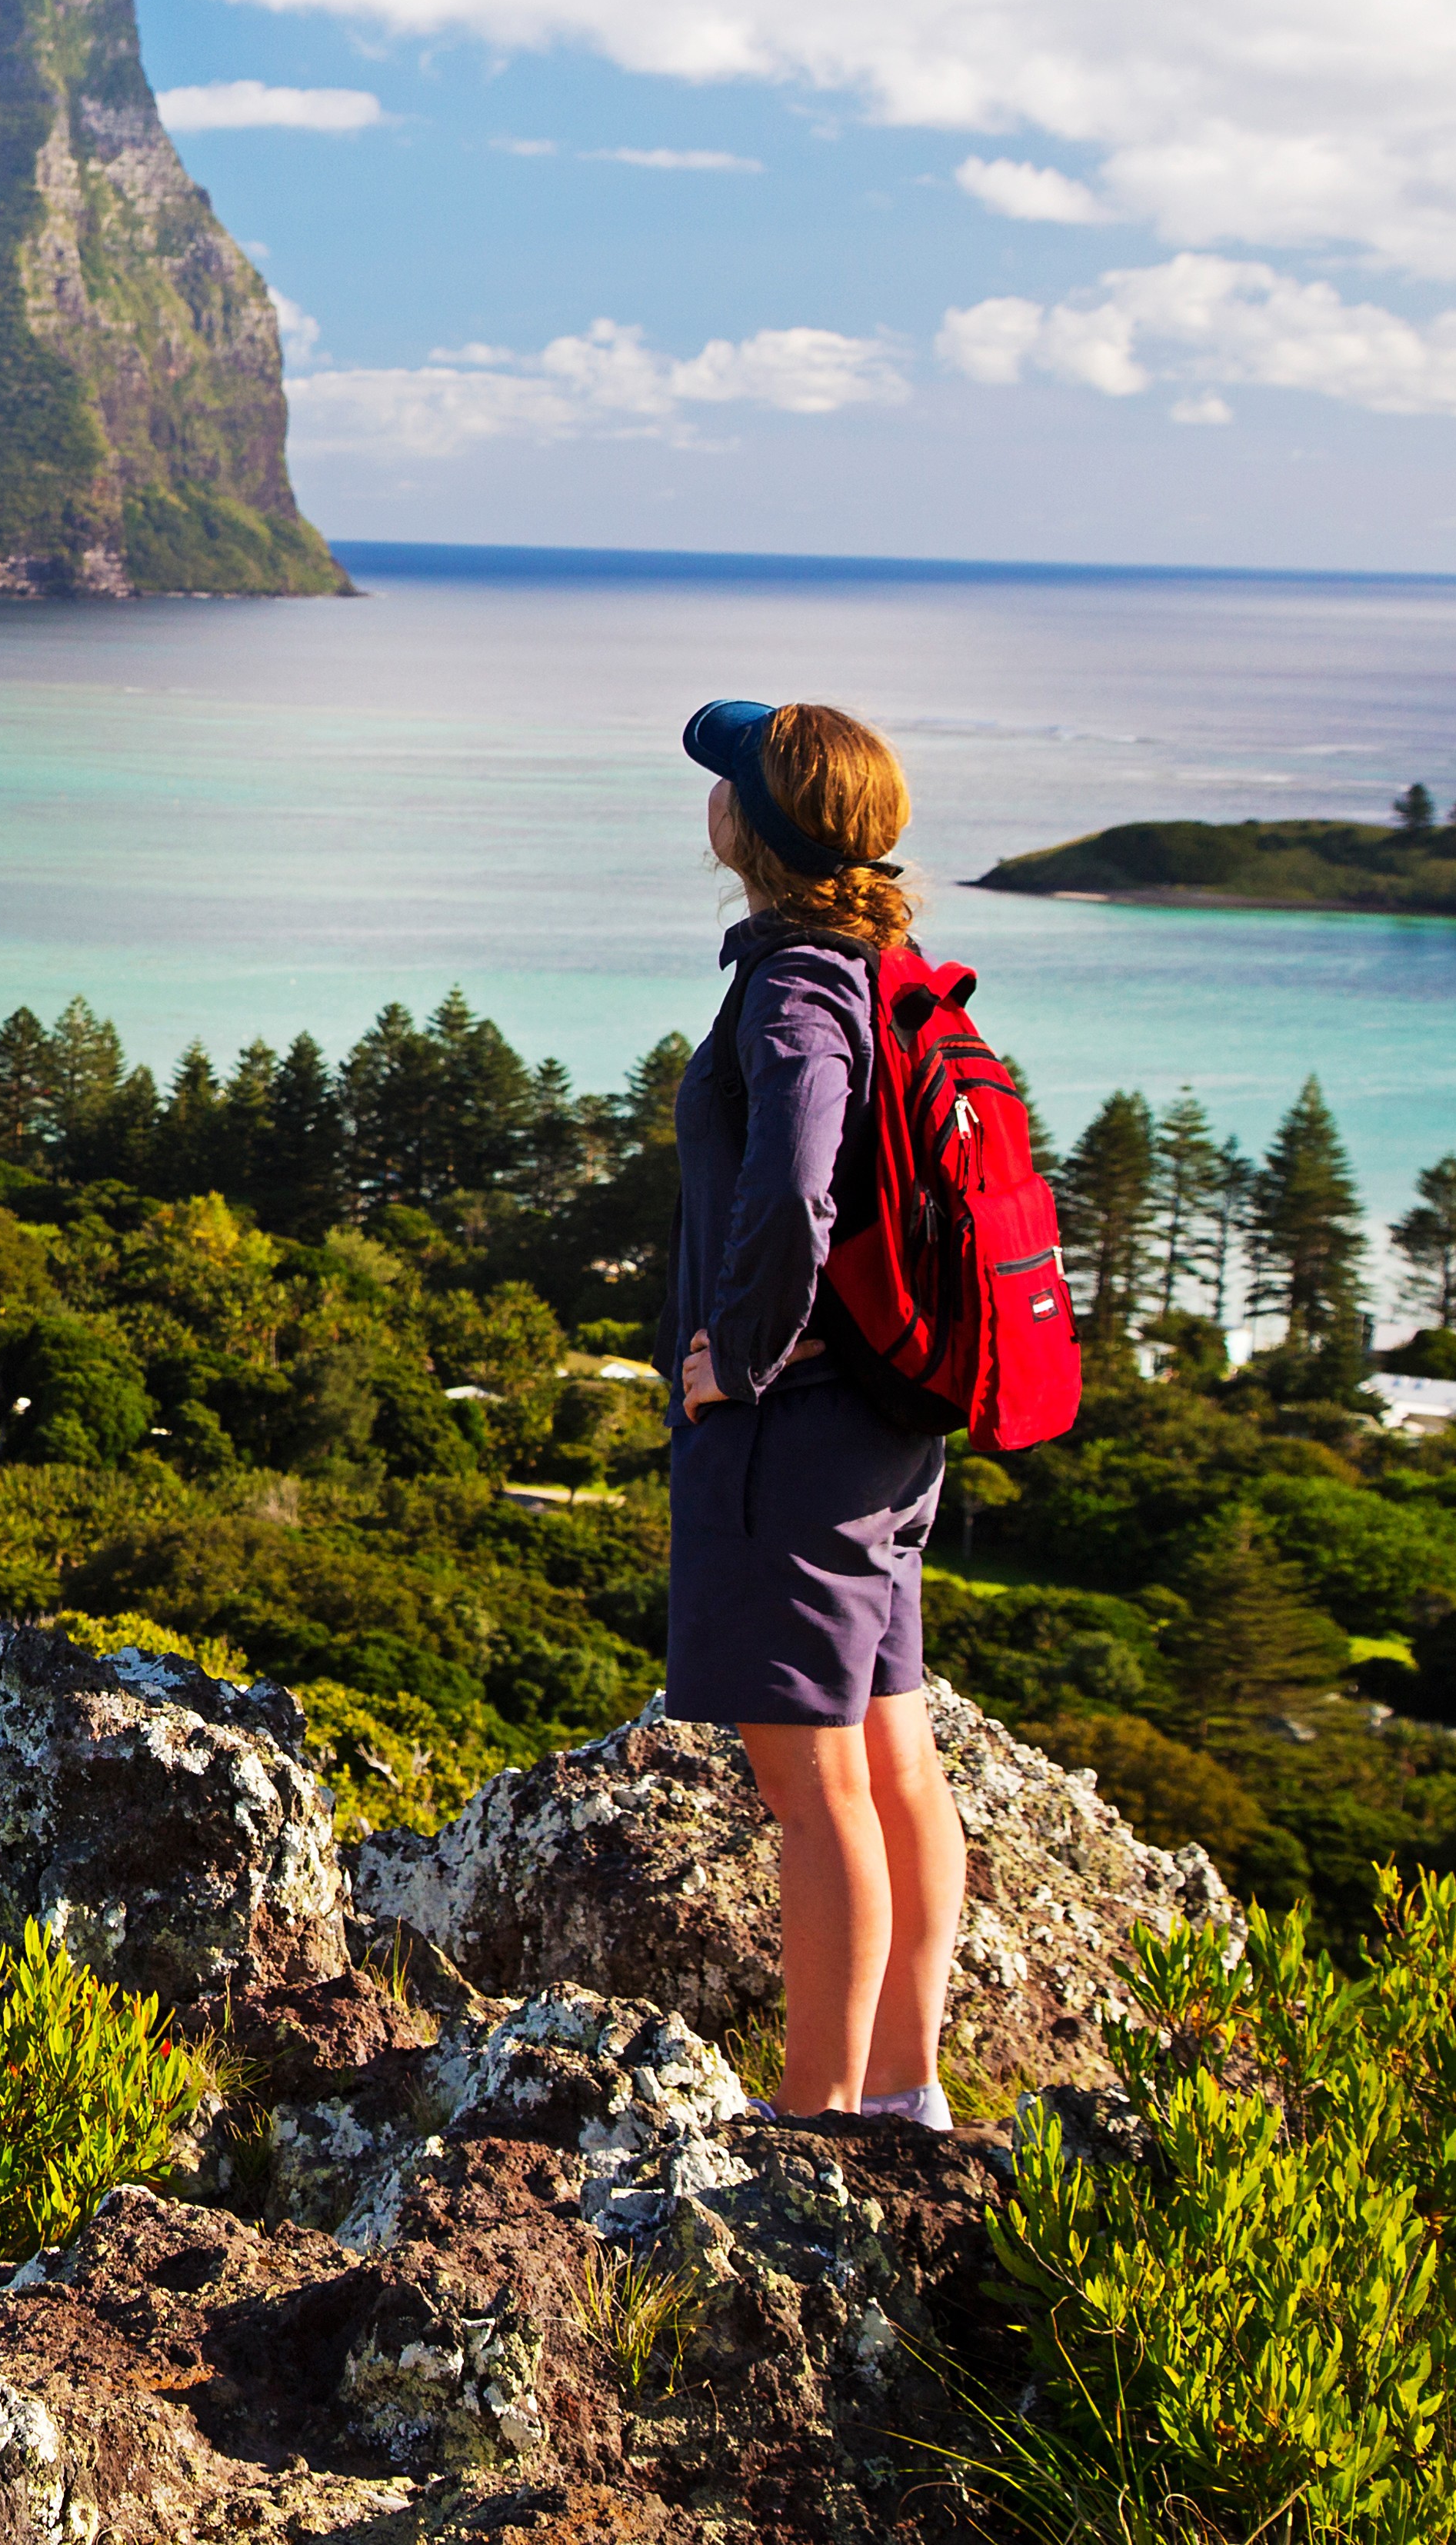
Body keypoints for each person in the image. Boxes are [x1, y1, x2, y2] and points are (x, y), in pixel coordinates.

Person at [664, 698, 963, 2131]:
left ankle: (815, 2122)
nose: (711, 796)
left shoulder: (791, 986)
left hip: (799, 1443)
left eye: (728, 782)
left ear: (752, 830)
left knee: (810, 1789)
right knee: (892, 1753)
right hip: (886, 1428)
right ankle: (902, 2093)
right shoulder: (872, 965)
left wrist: (746, 1357)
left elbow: (792, 1185)